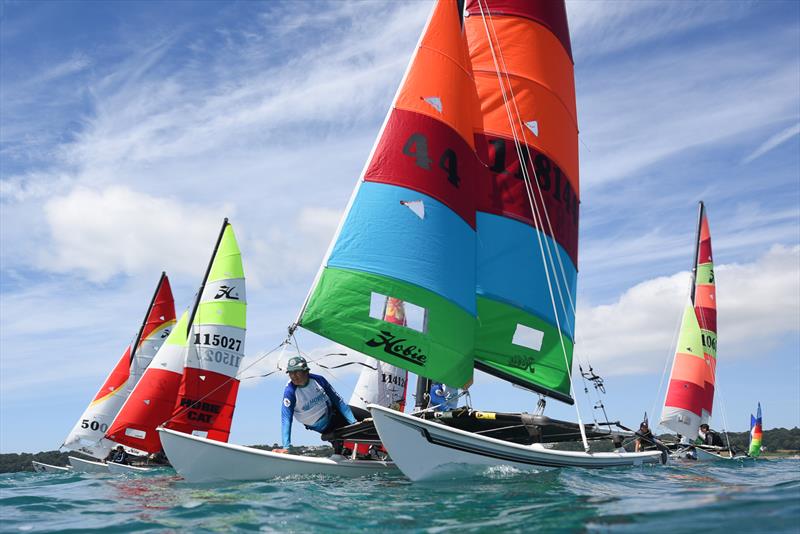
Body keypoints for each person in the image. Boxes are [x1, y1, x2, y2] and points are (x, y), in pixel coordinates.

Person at [274, 356, 358, 455]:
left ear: (306, 371)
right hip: (322, 426)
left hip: (335, 413)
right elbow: (286, 418)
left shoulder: (319, 380)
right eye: (290, 373)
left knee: (366, 417)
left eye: (296, 372)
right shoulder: (290, 391)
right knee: (341, 434)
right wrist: (286, 447)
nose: (293, 376)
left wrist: (353, 422)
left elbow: (338, 401)